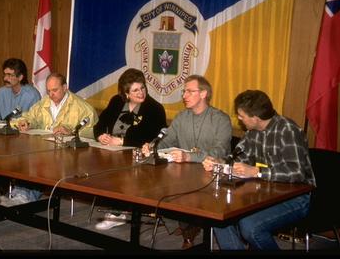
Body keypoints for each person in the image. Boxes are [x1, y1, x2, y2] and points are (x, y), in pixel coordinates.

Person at [203, 89, 316, 250]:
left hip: (295, 198)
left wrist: (256, 172)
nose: (239, 119)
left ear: (255, 118)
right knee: (218, 214)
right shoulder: (252, 132)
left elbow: (296, 172)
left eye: (241, 116)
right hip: (261, 193)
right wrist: (219, 163)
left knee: (251, 227)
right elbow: (239, 159)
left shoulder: (288, 130)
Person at [142, 74, 232, 249]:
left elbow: (219, 152)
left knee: (183, 189)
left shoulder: (221, 119)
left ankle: (190, 227)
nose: (184, 95)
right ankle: (187, 226)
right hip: (182, 174)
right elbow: (166, 141)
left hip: (211, 175)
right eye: (184, 91)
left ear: (204, 94)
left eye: (189, 91)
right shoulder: (182, 117)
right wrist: (152, 146)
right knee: (160, 186)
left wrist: (189, 157)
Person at [1, 73, 99, 206]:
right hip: (43, 148)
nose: (51, 94)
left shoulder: (83, 108)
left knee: (43, 164)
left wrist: (71, 131)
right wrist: (27, 122)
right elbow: (31, 116)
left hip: (69, 155)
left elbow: (95, 133)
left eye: (55, 90)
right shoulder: (44, 102)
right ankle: (21, 193)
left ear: (65, 87)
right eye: (48, 91)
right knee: (25, 155)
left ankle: (24, 195)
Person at [93, 68, 167, 230]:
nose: (141, 93)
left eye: (143, 88)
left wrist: (120, 141)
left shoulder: (154, 108)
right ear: (126, 94)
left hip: (139, 156)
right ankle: (116, 209)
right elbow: (100, 123)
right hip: (111, 152)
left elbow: (148, 136)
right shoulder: (116, 102)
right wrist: (100, 136)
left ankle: (117, 213)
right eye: (135, 90)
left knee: (118, 170)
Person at [0, 58, 41, 194]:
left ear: (20, 77)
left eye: (10, 75)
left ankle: (8, 183)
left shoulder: (32, 95)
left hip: (22, 140)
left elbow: (35, 121)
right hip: (2, 137)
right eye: (5, 74)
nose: (5, 78)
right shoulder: (1, 92)